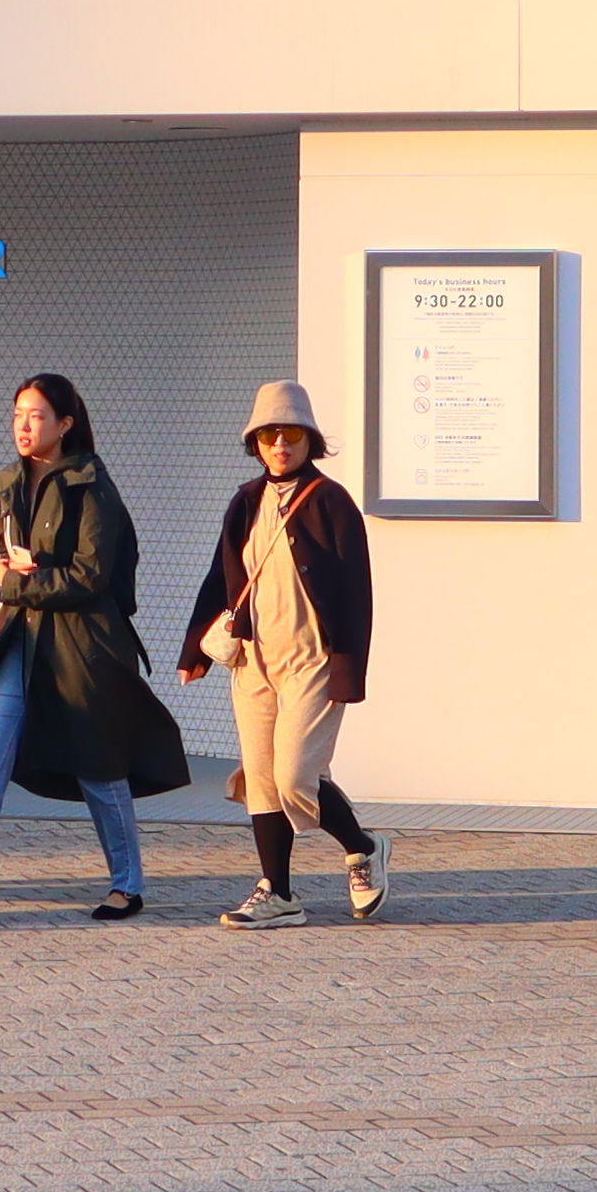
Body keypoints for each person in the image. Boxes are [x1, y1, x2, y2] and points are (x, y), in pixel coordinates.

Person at [0, 375, 179, 922]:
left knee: (99, 767)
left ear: (65, 424)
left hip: (85, 646)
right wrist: (15, 578)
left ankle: (128, 886)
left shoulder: (91, 484)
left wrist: (20, 580)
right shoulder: (8, 482)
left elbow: (90, 576)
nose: (23, 427)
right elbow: (0, 561)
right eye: (17, 416)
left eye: (37, 416)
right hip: (23, 641)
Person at [176, 383, 382, 928]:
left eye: (290, 434)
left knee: (296, 775)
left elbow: (357, 590)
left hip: (313, 659)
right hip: (253, 662)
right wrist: (194, 649)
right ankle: (279, 894)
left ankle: (362, 848)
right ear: (256, 443)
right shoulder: (246, 501)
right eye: (269, 435)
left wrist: (349, 666)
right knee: (263, 779)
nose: (280, 445)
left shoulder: (331, 500)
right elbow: (223, 578)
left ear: (309, 439)